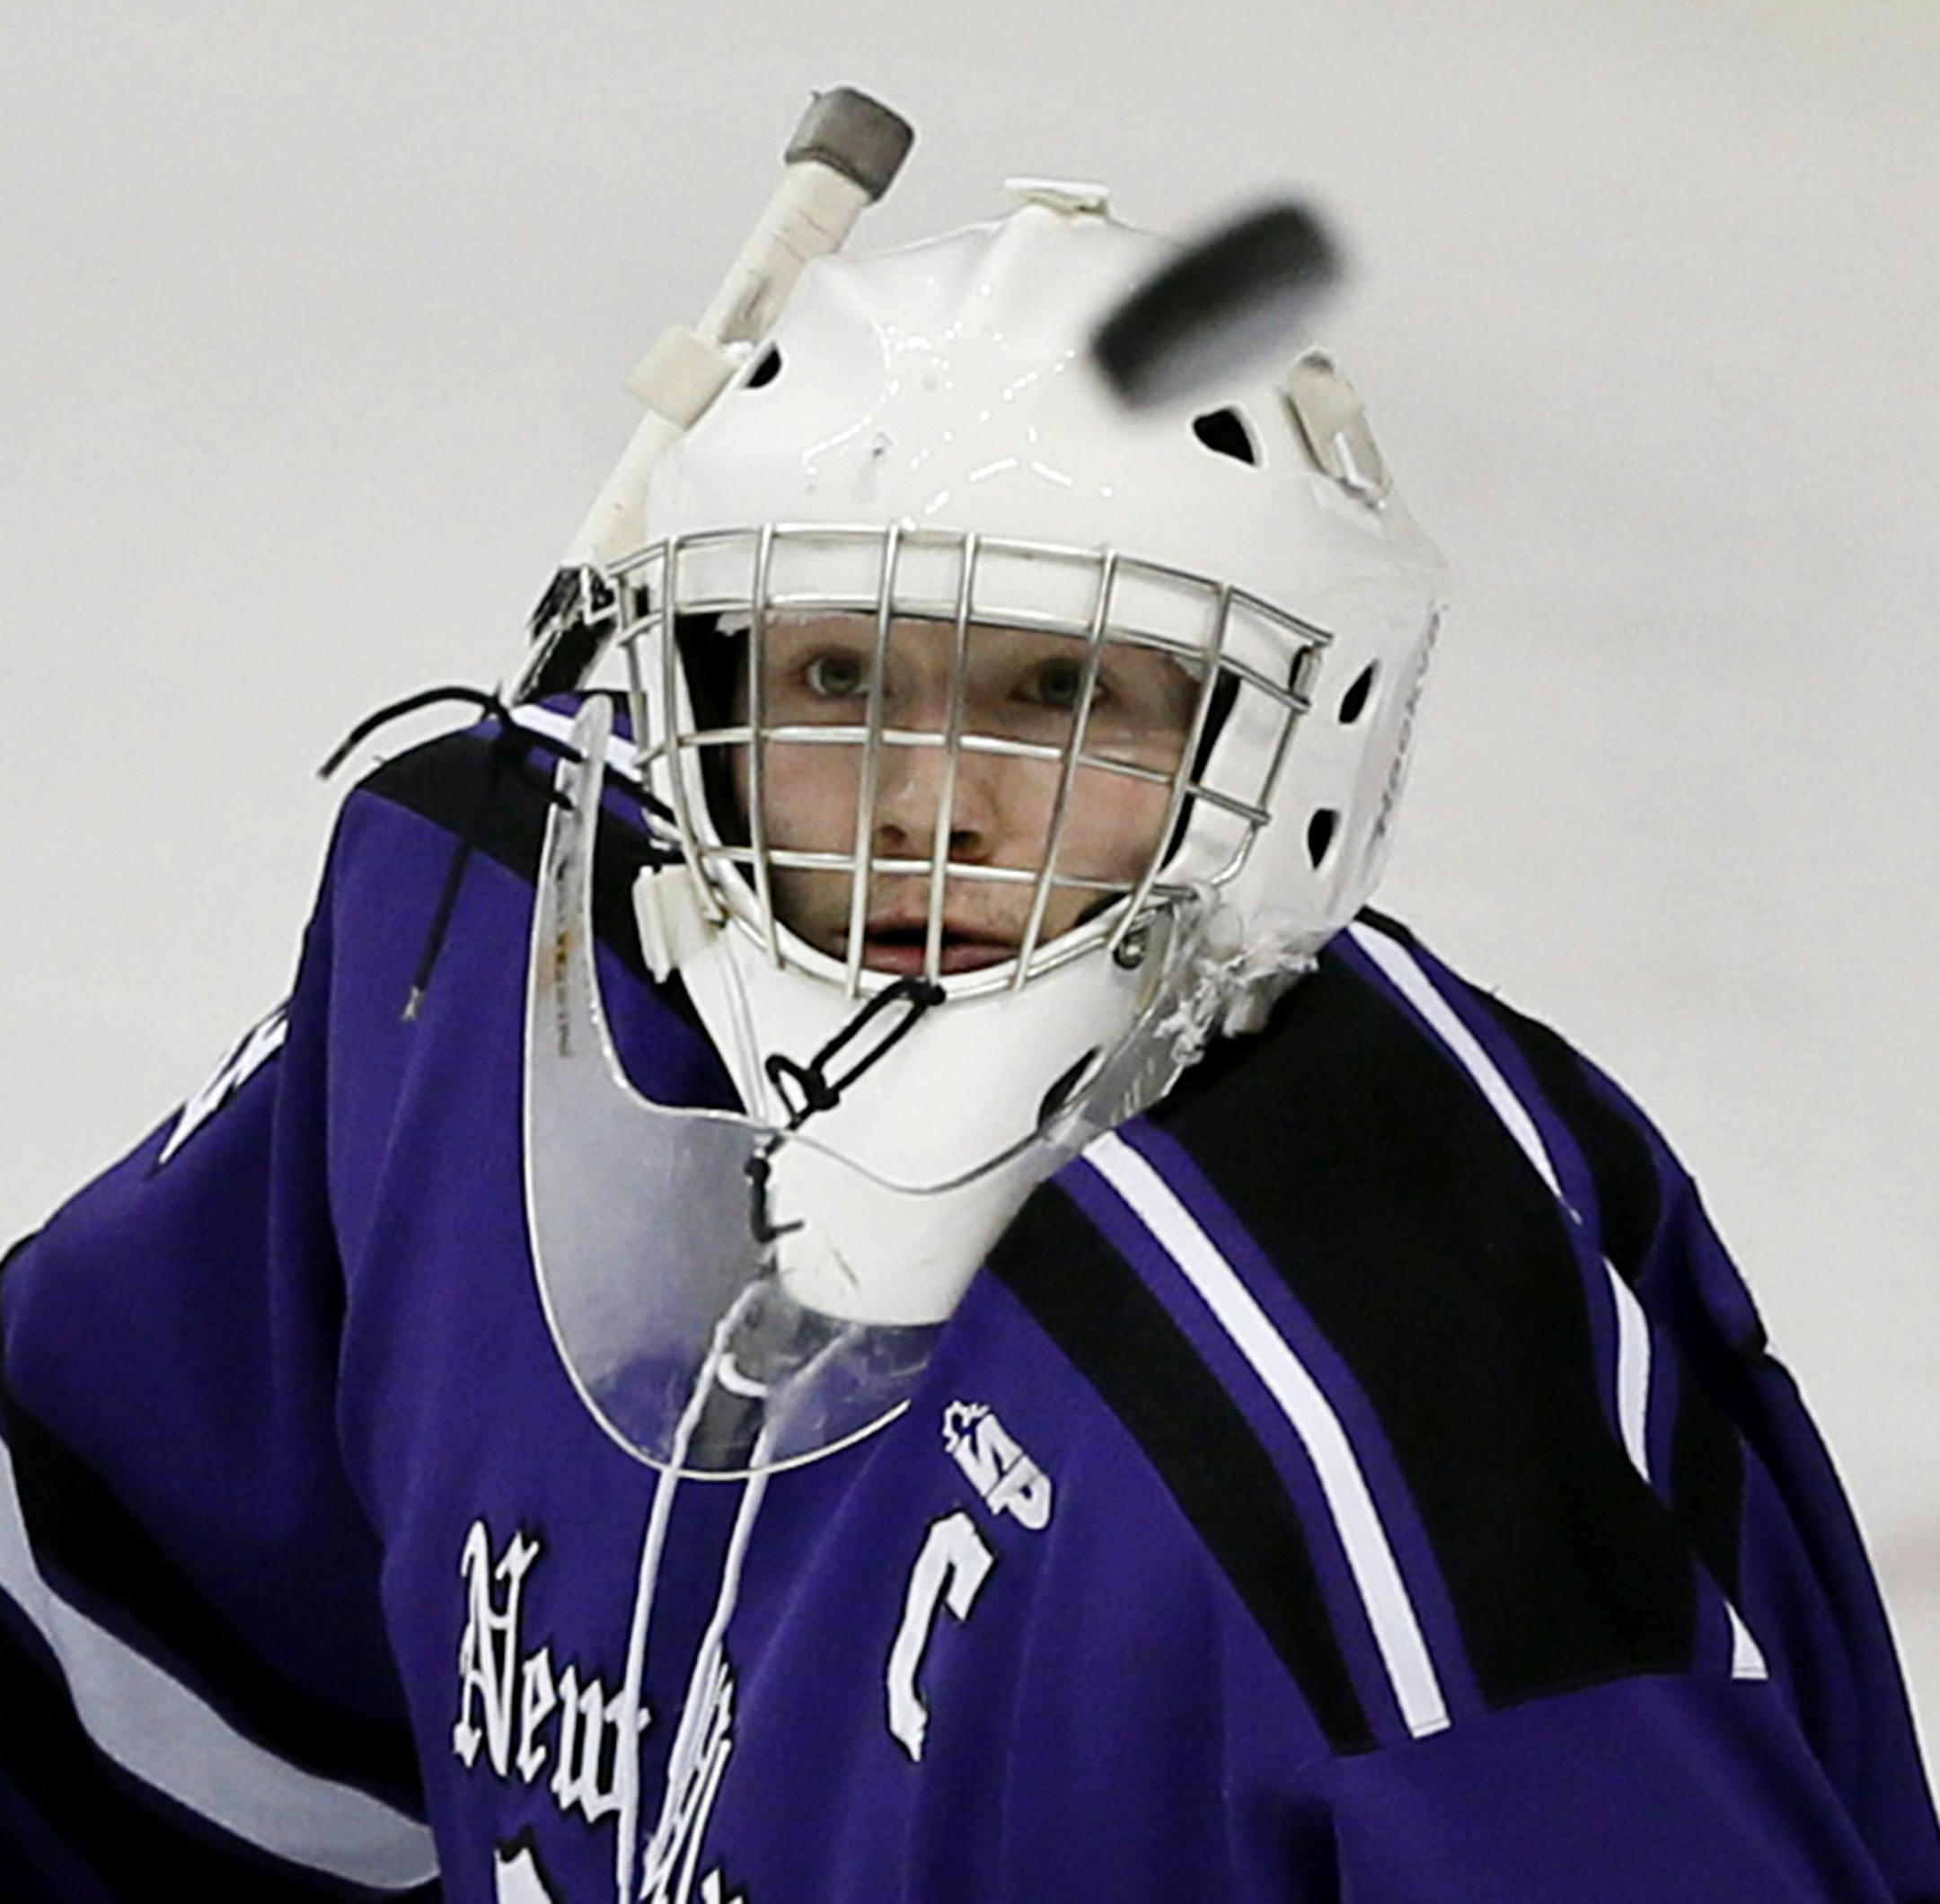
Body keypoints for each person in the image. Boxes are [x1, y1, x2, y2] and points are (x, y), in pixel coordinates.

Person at [2, 179, 1936, 1904]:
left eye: (1064, 693)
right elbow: (138, 1674)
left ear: (1293, 753)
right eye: (839, 674)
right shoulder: (486, 986)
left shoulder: (1383, 1331)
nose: (931, 800)